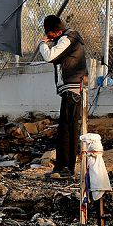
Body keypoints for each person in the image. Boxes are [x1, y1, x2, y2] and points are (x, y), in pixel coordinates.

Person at [38, 15, 87, 180]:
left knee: (69, 129)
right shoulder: (67, 39)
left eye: (50, 34)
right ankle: (60, 167)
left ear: (57, 31)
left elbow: (49, 56)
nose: (48, 37)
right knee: (63, 129)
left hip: (73, 90)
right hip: (70, 89)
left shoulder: (68, 39)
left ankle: (67, 168)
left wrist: (42, 44)